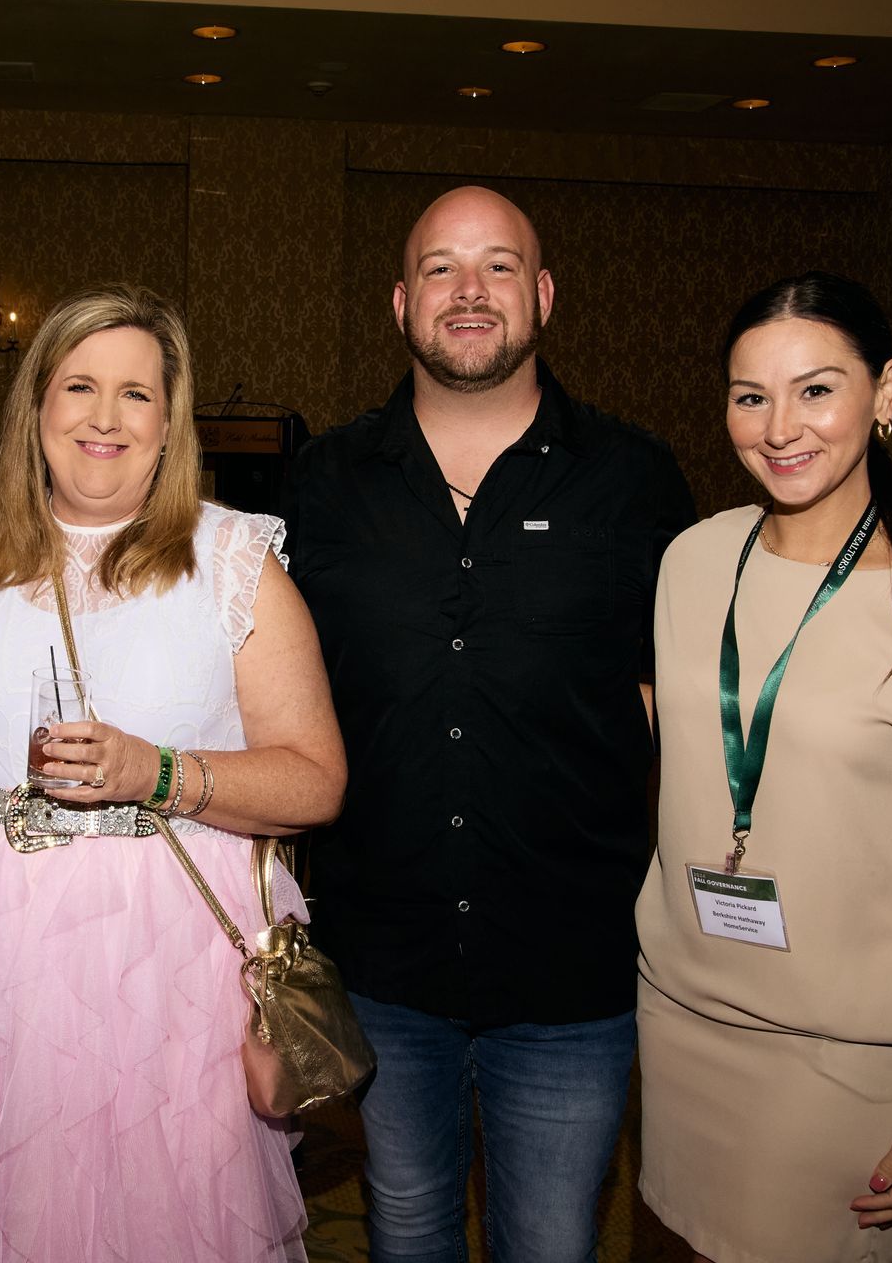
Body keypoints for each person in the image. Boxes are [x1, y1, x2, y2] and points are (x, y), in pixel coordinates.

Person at [282, 185, 695, 1261]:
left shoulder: (635, 479)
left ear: (543, 294)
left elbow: (692, 701)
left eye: (498, 265)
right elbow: (265, 695)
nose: (470, 290)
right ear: (401, 302)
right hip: (383, 964)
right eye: (441, 268)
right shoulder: (323, 484)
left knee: (551, 1243)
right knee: (405, 1231)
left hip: (571, 972)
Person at [0, 283, 345, 1263]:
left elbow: (315, 781)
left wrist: (157, 770)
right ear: (37, 407)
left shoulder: (233, 558)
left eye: (136, 393)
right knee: (18, 1207)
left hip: (168, 952)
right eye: (79, 386)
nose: (105, 416)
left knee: (166, 1207)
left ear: (169, 423)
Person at [635, 271, 892, 1262]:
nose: (781, 428)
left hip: (842, 1052)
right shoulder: (692, 560)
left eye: (816, 389)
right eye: (751, 396)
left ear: (885, 391)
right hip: (678, 1016)